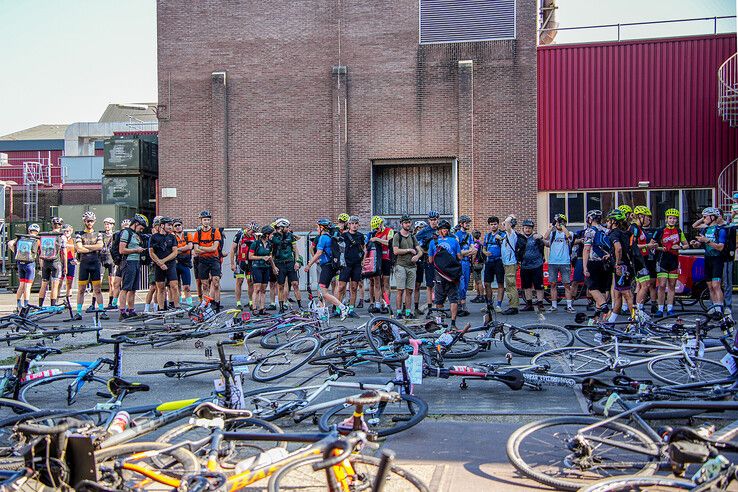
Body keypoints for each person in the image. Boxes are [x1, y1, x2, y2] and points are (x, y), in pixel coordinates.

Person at [304, 218, 349, 320]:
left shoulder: (323, 238)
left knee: (323, 292)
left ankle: (343, 307)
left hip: (327, 266)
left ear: (322, 227)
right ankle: (322, 312)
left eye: (317, 227)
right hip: (331, 266)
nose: (316, 229)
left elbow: (318, 253)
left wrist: (309, 265)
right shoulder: (329, 237)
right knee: (321, 290)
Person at [649, 209, 688, 317]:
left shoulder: (679, 231)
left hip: (674, 260)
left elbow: (686, 245)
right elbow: (652, 244)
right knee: (661, 285)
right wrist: (661, 248)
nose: (672, 220)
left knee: (672, 285)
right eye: (670, 218)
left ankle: (670, 308)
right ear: (666, 219)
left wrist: (680, 246)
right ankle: (660, 308)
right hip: (662, 260)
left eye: (674, 218)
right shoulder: (660, 230)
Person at [690, 207, 727, 317]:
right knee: (710, 285)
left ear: (712, 217)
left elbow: (720, 247)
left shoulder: (720, 230)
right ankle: (714, 306)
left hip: (717, 259)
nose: (704, 219)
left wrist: (707, 241)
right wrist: (696, 244)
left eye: (706, 217)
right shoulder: (705, 229)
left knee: (716, 285)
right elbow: (694, 226)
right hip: (708, 258)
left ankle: (720, 307)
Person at [428, 219, 462, 327]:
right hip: (452, 275)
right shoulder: (454, 241)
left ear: (439, 230)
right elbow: (459, 257)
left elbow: (430, 260)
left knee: (439, 300)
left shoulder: (433, 242)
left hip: (439, 274)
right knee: (453, 299)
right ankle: (453, 323)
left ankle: (440, 324)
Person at [74, 212, 107, 320]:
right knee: (81, 289)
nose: (90, 223)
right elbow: (79, 248)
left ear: (94, 221)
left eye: (91, 221)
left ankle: (102, 311)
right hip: (84, 264)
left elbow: (100, 246)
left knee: (97, 289)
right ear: (84, 221)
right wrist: (93, 247)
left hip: (95, 263)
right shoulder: (79, 234)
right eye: (88, 221)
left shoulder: (98, 234)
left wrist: (85, 246)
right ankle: (78, 312)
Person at [583, 209, 613, 321]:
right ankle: (597, 317)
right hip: (606, 262)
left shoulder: (590, 231)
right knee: (602, 290)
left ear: (590, 219)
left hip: (594, 262)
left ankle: (606, 310)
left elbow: (586, 249)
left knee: (592, 289)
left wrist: (585, 267)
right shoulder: (606, 231)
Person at [605, 208, 634, 322]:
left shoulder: (614, 234)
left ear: (614, 222)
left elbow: (619, 248)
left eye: (608, 220)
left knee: (627, 294)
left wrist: (617, 263)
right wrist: (610, 256)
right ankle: (611, 321)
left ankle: (634, 320)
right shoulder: (623, 233)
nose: (607, 223)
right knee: (617, 295)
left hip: (622, 267)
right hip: (626, 265)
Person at [118, 214, 148, 319]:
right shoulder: (126, 232)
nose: (142, 230)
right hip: (128, 262)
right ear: (136, 224)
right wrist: (136, 250)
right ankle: (122, 311)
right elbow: (122, 250)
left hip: (136, 262)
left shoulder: (136, 234)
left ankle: (131, 310)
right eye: (141, 227)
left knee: (133, 288)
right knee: (125, 287)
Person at [392, 214, 421, 319]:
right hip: (401, 266)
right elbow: (395, 251)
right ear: (401, 224)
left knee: (410, 290)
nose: (408, 224)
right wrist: (409, 250)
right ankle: (399, 312)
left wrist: (417, 256)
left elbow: (420, 250)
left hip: (412, 267)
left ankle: (408, 312)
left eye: (409, 222)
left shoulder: (413, 236)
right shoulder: (397, 236)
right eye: (405, 222)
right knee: (400, 290)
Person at [544, 214, 575, 313]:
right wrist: (553, 225)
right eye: (558, 222)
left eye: (561, 222)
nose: (559, 224)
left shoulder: (568, 232)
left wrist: (562, 225)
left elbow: (569, 236)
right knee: (553, 284)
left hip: (564, 262)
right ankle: (554, 306)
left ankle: (569, 305)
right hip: (553, 262)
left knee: (566, 284)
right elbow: (545, 237)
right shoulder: (553, 234)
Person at [193, 210, 223, 311]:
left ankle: (217, 303)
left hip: (214, 259)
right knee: (204, 284)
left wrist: (201, 247)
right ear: (201, 221)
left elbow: (214, 248)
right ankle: (207, 304)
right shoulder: (198, 233)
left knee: (216, 282)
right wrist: (206, 248)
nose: (206, 222)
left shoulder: (215, 232)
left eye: (208, 220)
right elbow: (196, 250)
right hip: (203, 260)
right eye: (204, 220)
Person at [630, 206, 657, 315]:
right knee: (645, 284)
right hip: (638, 259)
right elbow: (632, 245)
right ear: (641, 217)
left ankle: (636, 307)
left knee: (640, 285)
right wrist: (648, 245)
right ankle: (638, 309)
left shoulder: (640, 228)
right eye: (647, 217)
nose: (649, 220)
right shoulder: (634, 228)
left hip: (643, 258)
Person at [149, 217, 180, 311]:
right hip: (158, 266)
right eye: (168, 225)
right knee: (160, 287)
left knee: (174, 285)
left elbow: (175, 252)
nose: (171, 227)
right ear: (162, 225)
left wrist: (164, 261)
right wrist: (160, 263)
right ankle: (161, 308)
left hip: (171, 264)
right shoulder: (154, 237)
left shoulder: (172, 237)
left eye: (171, 225)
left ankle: (177, 306)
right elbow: (151, 252)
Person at [8, 224, 40, 313]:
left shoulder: (21, 238)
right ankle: (26, 306)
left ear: (29, 230)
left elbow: (10, 243)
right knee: (28, 286)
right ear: (37, 231)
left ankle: (18, 305)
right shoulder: (36, 240)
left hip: (20, 263)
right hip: (30, 264)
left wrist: (17, 253)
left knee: (21, 285)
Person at [337, 215, 365, 318]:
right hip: (346, 265)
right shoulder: (344, 236)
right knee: (341, 287)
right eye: (352, 223)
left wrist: (363, 261)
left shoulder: (360, 236)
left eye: (356, 223)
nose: (354, 225)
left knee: (353, 288)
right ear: (348, 225)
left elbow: (363, 249)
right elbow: (338, 248)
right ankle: (338, 308)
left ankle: (351, 309)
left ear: (358, 225)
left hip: (357, 264)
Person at [272, 218, 300, 313]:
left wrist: (297, 262)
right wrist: (273, 266)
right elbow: (271, 253)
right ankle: (281, 307)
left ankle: (300, 306)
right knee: (281, 286)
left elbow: (295, 250)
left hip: (290, 262)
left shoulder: (290, 236)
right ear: (281, 227)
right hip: (279, 263)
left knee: (295, 284)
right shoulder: (274, 237)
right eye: (286, 227)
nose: (288, 228)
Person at [516, 219, 545, 312]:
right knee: (526, 286)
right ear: (523, 229)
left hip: (537, 265)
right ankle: (529, 304)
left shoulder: (536, 237)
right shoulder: (520, 238)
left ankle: (540, 303)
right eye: (526, 228)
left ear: (532, 229)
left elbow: (544, 244)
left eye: (529, 228)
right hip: (524, 265)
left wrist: (541, 237)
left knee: (538, 285)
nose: (527, 229)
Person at [37, 217, 66, 308]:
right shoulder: (62, 236)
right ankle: (53, 306)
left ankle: (40, 306)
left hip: (45, 262)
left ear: (52, 225)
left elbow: (40, 250)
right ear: (61, 226)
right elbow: (64, 253)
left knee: (44, 284)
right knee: (54, 285)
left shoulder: (46, 235)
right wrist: (65, 266)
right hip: (56, 262)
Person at [415, 211, 440, 313]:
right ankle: (430, 308)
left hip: (440, 261)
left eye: (435, 219)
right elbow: (414, 241)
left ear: (438, 219)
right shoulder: (424, 231)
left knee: (439, 285)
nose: (434, 222)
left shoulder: (441, 229)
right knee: (429, 285)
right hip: (428, 261)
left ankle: (439, 307)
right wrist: (422, 250)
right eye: (432, 220)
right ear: (429, 220)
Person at [249, 225, 278, 315]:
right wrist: (262, 257)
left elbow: (270, 257)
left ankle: (262, 308)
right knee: (257, 288)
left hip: (266, 268)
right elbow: (250, 257)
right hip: (257, 267)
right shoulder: (256, 243)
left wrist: (274, 267)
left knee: (264, 289)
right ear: (266, 234)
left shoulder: (269, 244)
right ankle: (254, 308)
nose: (272, 236)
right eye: (271, 234)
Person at [368, 216, 393, 314]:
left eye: (377, 227)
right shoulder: (373, 234)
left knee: (385, 283)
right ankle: (377, 304)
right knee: (377, 282)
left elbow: (389, 243)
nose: (376, 230)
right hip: (376, 260)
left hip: (386, 259)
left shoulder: (389, 231)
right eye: (375, 228)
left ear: (381, 224)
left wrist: (377, 239)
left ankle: (386, 303)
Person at [482, 216, 505, 313]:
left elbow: (506, 246)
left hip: (499, 261)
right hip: (489, 261)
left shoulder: (502, 234)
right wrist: (485, 252)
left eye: (495, 224)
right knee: (487, 283)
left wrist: (501, 240)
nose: (493, 226)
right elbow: (484, 248)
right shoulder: (487, 236)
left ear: (498, 224)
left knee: (500, 283)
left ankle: (499, 305)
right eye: (491, 224)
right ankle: (489, 304)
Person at [231, 222, 255, 310]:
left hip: (250, 262)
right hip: (240, 262)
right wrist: (232, 264)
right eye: (252, 231)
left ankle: (251, 302)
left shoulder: (254, 237)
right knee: (239, 281)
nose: (253, 233)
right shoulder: (239, 235)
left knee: (250, 282)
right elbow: (233, 250)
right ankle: (238, 303)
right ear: (248, 229)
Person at [455, 215, 476, 317]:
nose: (468, 224)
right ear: (461, 224)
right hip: (460, 263)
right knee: (461, 285)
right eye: (466, 223)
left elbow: (474, 250)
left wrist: (466, 252)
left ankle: (463, 303)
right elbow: (458, 252)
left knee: (466, 284)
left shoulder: (470, 236)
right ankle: (460, 304)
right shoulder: (456, 235)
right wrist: (468, 252)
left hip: (467, 262)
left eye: (468, 223)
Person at [500, 215, 520, 315]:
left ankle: (514, 306)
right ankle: (512, 303)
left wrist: (510, 217)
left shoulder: (511, 234)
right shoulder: (506, 235)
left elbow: (508, 223)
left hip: (510, 263)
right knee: (508, 285)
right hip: (506, 263)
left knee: (511, 284)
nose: (503, 225)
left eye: (505, 224)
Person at [172, 219, 194, 307]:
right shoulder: (172, 237)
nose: (178, 227)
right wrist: (183, 249)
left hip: (185, 263)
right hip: (175, 263)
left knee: (187, 287)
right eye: (175, 226)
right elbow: (172, 250)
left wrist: (178, 250)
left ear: (182, 225)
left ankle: (190, 306)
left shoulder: (187, 235)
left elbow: (190, 246)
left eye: (179, 225)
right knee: (176, 287)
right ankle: (179, 305)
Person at [99, 217, 117, 309]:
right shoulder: (101, 235)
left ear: (112, 225)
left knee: (112, 283)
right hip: (102, 259)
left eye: (109, 224)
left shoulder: (115, 235)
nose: (107, 226)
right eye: (106, 224)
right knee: (98, 282)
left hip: (111, 259)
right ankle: (95, 303)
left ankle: (111, 302)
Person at [412, 220, 428, 316]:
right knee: (408, 287)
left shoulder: (425, 239)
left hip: (421, 262)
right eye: (420, 228)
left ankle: (416, 307)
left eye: (423, 228)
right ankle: (406, 308)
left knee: (418, 286)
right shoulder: (413, 237)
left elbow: (426, 250)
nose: (421, 230)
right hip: (412, 263)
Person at [470, 229, 486, 303]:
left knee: (478, 281)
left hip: (477, 263)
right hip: (481, 263)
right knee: (477, 281)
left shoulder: (476, 244)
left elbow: (474, 253)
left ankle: (481, 296)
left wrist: (472, 262)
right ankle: (479, 295)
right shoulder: (481, 243)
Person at [61, 224, 76, 301]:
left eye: (68, 231)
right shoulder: (61, 239)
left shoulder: (74, 240)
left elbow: (77, 251)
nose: (66, 232)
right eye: (64, 231)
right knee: (59, 282)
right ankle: (55, 300)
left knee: (69, 282)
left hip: (71, 261)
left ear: (71, 231)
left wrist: (76, 259)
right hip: (61, 261)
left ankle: (68, 300)